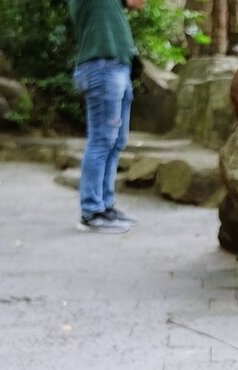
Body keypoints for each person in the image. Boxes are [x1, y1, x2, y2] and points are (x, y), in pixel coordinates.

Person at [68, 0, 145, 233]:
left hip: (118, 66)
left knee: (116, 141)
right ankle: (91, 211)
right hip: (102, 67)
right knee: (102, 140)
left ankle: (105, 206)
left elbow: (137, 3)